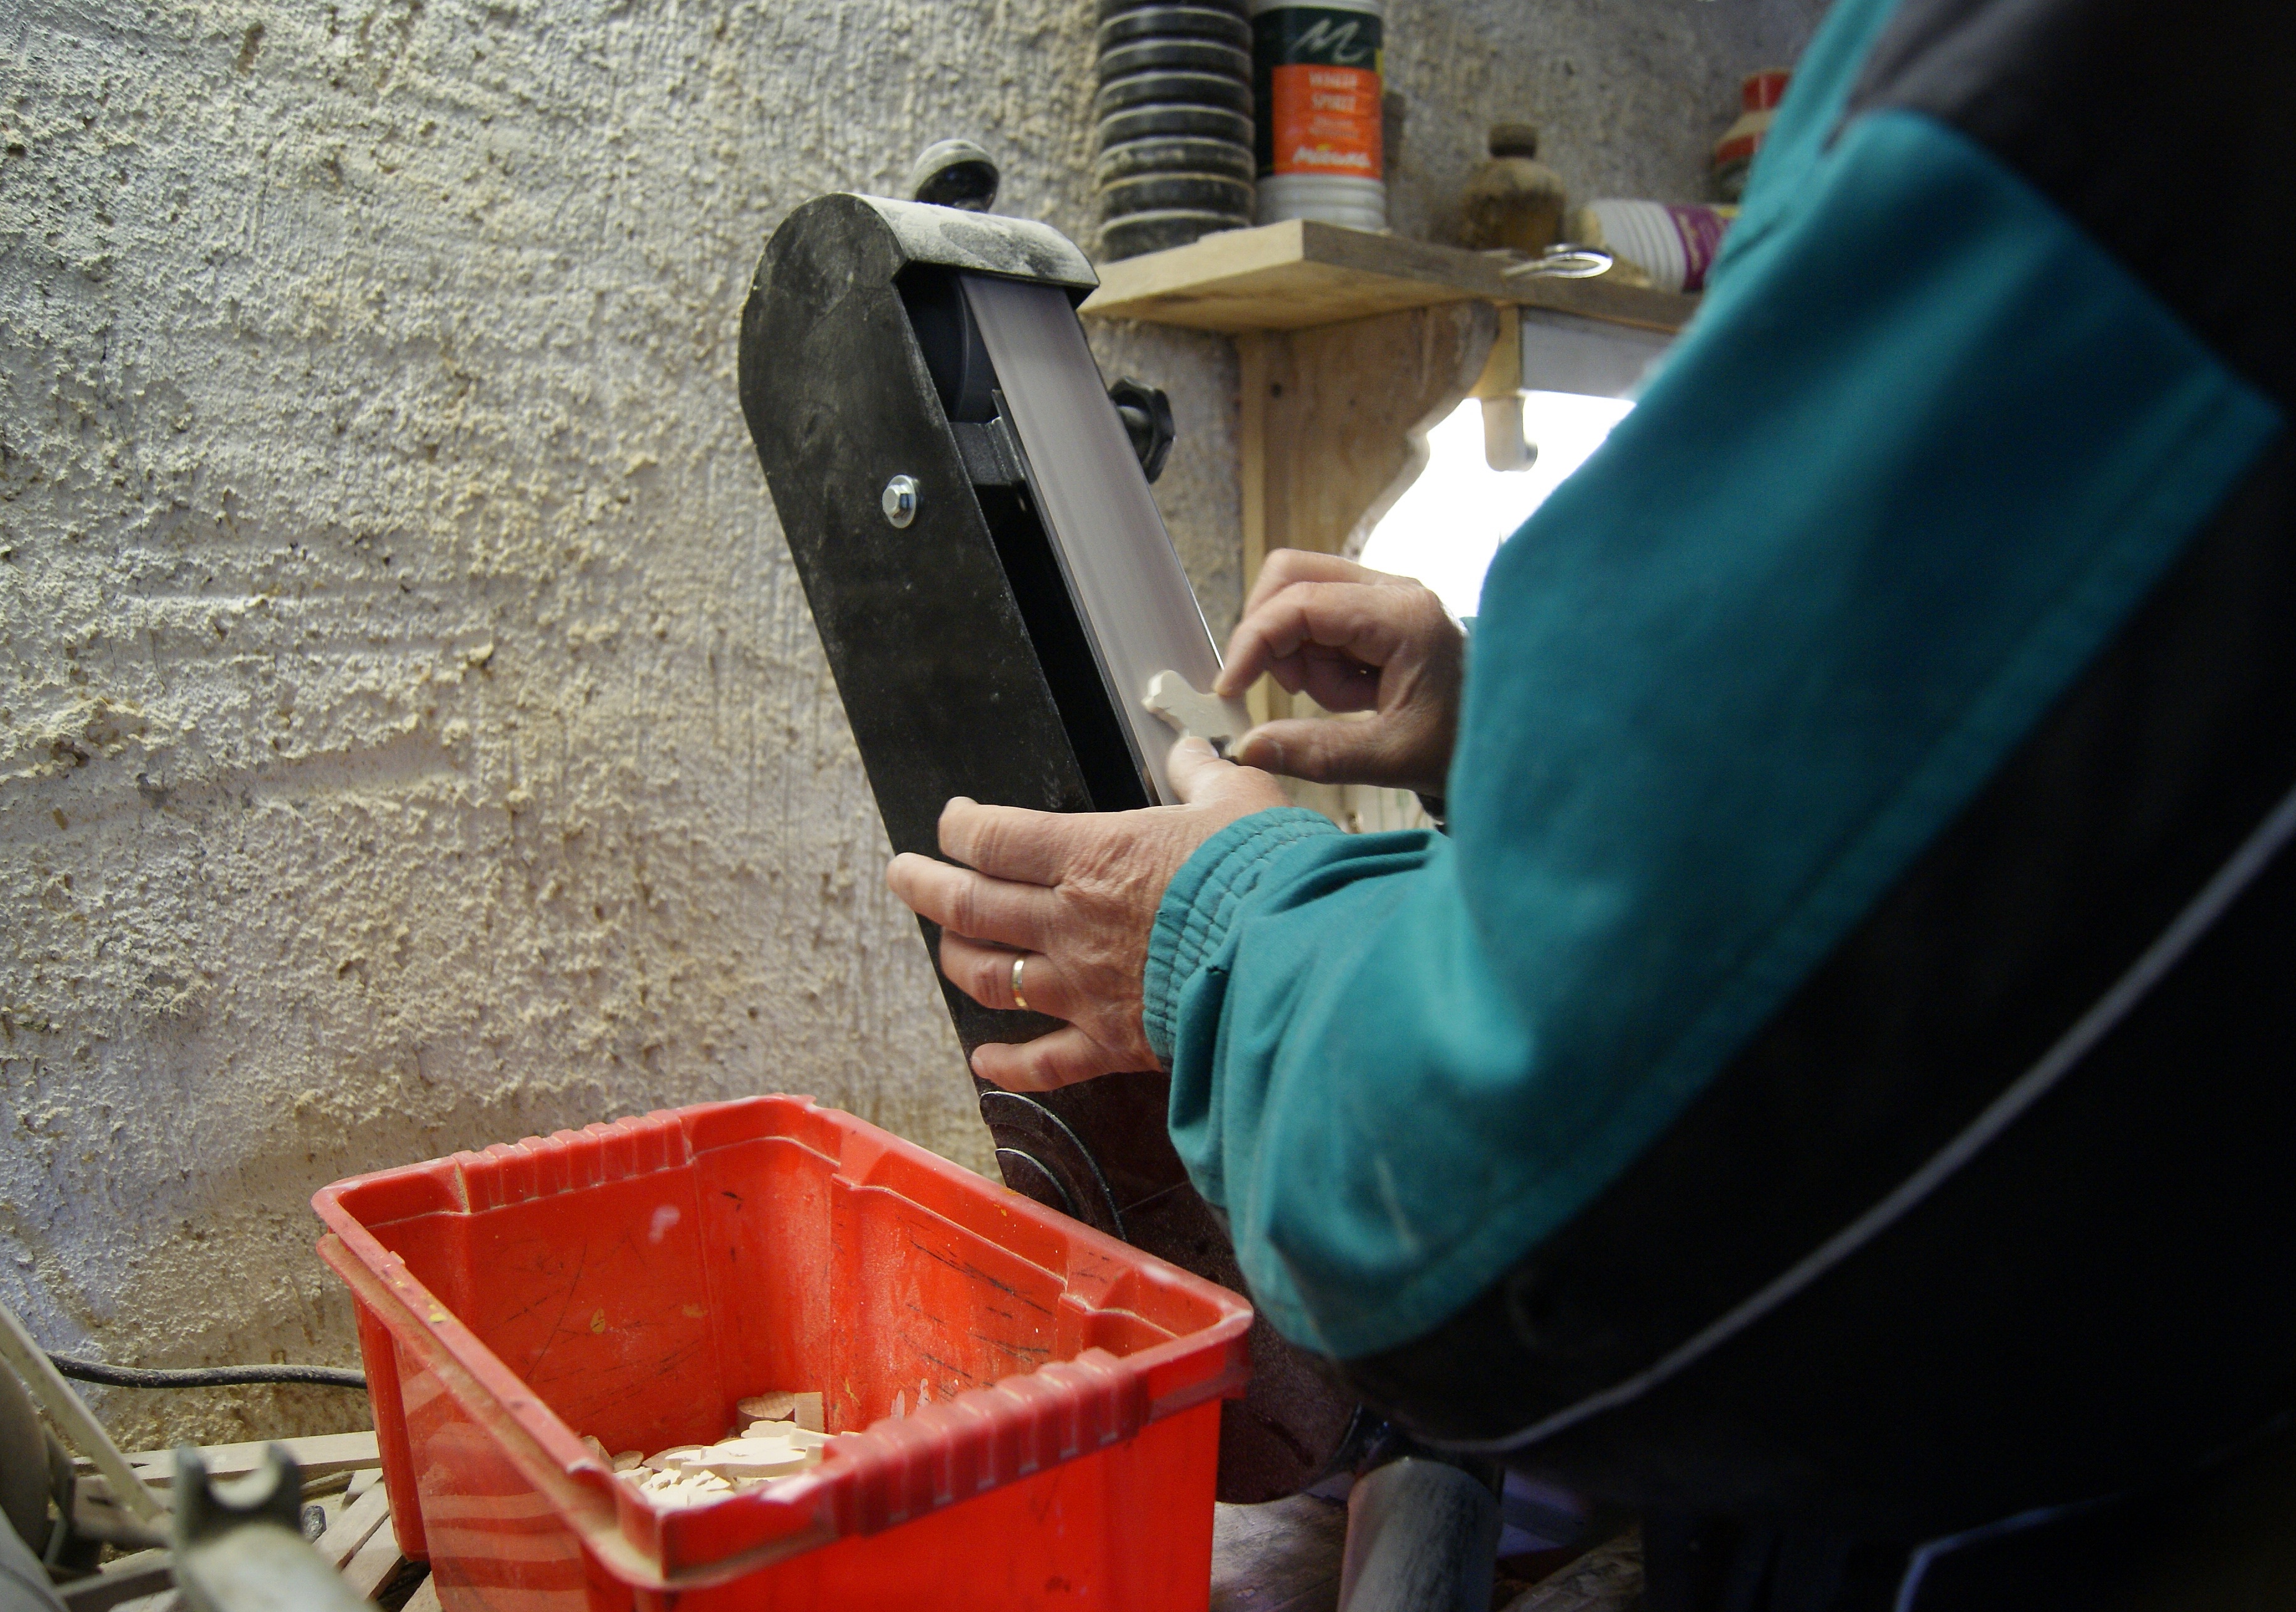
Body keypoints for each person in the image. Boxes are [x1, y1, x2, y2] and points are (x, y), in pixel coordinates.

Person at [890, 0, 2296, 1604]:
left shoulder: (2103, 74)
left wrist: (1221, 932)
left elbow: (1519, 1198)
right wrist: (1509, 723)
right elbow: (2028, 734)